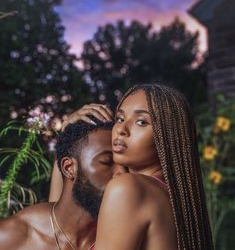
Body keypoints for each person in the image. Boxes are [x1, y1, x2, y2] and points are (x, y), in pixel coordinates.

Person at [63, 84, 214, 250]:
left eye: (141, 122)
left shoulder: (129, 188)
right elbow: (58, 215)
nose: (121, 129)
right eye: (120, 119)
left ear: (168, 137)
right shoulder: (174, 198)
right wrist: (65, 138)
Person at [0, 117, 125, 250]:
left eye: (127, 166)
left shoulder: (126, 235)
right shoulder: (11, 237)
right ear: (69, 168)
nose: (122, 173)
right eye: (106, 161)